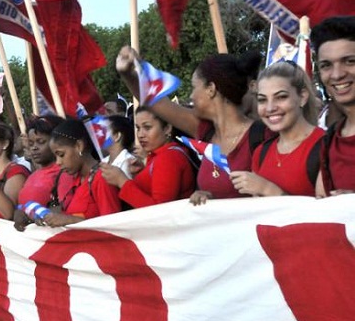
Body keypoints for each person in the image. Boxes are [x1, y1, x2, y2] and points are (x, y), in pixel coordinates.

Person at [116, 47, 271, 205]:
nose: (191, 96)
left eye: (194, 87)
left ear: (211, 89)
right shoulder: (206, 131)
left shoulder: (262, 136)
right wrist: (127, 73)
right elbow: (153, 101)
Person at [229, 61, 324, 196]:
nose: (270, 108)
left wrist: (268, 189)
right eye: (262, 100)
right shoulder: (261, 152)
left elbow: (329, 213)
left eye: (281, 97)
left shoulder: (326, 146)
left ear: (302, 97)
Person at [101, 107, 195, 208]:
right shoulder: (160, 155)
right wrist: (142, 171)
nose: (140, 135)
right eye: (138, 128)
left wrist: (121, 181)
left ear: (167, 128)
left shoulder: (168, 157)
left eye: (147, 127)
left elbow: (159, 210)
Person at [39, 119, 121, 227]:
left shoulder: (102, 178)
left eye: (61, 154)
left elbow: (115, 227)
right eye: (55, 156)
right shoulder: (77, 180)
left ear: (79, 146)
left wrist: (70, 221)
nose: (58, 162)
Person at [310, 16, 355, 196]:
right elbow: (323, 209)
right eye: (326, 65)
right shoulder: (330, 140)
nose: (336, 75)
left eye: (350, 61)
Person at [13, 115, 74, 231]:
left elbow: (68, 211)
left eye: (41, 142)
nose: (34, 148)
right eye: (31, 144)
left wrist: (32, 215)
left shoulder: (65, 173)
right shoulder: (34, 175)